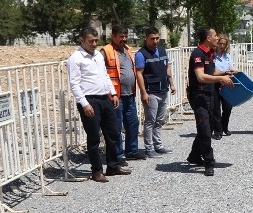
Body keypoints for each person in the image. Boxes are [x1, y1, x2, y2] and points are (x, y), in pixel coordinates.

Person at [67, 26, 126, 183]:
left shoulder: (98, 56)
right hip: (89, 99)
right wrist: (84, 104)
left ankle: (113, 165)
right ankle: (96, 170)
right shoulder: (76, 58)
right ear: (82, 40)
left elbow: (105, 75)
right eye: (90, 41)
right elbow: (74, 83)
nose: (94, 44)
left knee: (113, 133)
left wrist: (112, 92)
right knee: (94, 136)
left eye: (95, 40)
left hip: (104, 98)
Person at [186, 27, 234, 176]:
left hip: (210, 93)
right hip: (199, 96)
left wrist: (226, 73)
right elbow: (201, 76)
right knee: (205, 129)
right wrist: (221, 79)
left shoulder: (210, 53)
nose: (217, 38)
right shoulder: (197, 54)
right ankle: (209, 162)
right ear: (208, 38)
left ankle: (194, 155)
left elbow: (211, 72)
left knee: (210, 125)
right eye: (214, 36)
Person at [134, 27, 176, 158]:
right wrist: (143, 92)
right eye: (152, 39)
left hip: (163, 90)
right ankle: (149, 148)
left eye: (157, 38)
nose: (155, 41)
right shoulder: (141, 54)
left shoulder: (162, 50)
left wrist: (172, 83)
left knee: (160, 120)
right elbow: (139, 74)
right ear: (146, 38)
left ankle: (158, 145)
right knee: (150, 121)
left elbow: (167, 67)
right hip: (151, 92)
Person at [101, 25, 141, 162]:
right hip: (115, 97)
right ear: (113, 36)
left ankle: (131, 151)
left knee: (133, 123)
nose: (124, 39)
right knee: (116, 127)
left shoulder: (128, 50)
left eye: (125, 36)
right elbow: (101, 73)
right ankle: (117, 155)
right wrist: (110, 93)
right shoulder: (106, 51)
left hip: (129, 95)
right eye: (121, 37)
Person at [212, 35, 236, 136]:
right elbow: (213, 71)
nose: (221, 46)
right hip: (215, 83)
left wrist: (233, 71)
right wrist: (224, 73)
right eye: (220, 43)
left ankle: (224, 126)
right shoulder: (212, 56)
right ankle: (218, 131)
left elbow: (231, 68)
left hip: (226, 83)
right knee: (216, 108)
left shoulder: (227, 56)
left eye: (224, 44)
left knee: (228, 107)